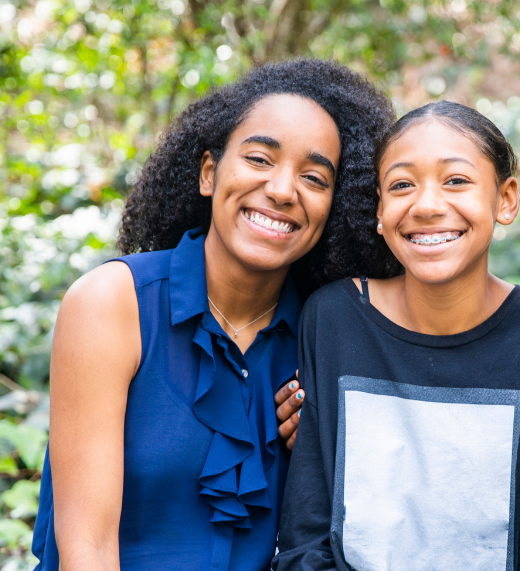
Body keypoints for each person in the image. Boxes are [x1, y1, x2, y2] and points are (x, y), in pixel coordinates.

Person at [31, 59, 399, 571]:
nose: (282, 190)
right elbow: (86, 551)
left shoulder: (325, 335)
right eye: (259, 159)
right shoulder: (114, 303)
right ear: (209, 172)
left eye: (314, 177)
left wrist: (319, 445)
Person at [273, 101, 520, 571]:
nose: (427, 205)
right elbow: (305, 542)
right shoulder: (334, 318)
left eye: (456, 181)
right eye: (402, 185)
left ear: (505, 199)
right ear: (380, 208)